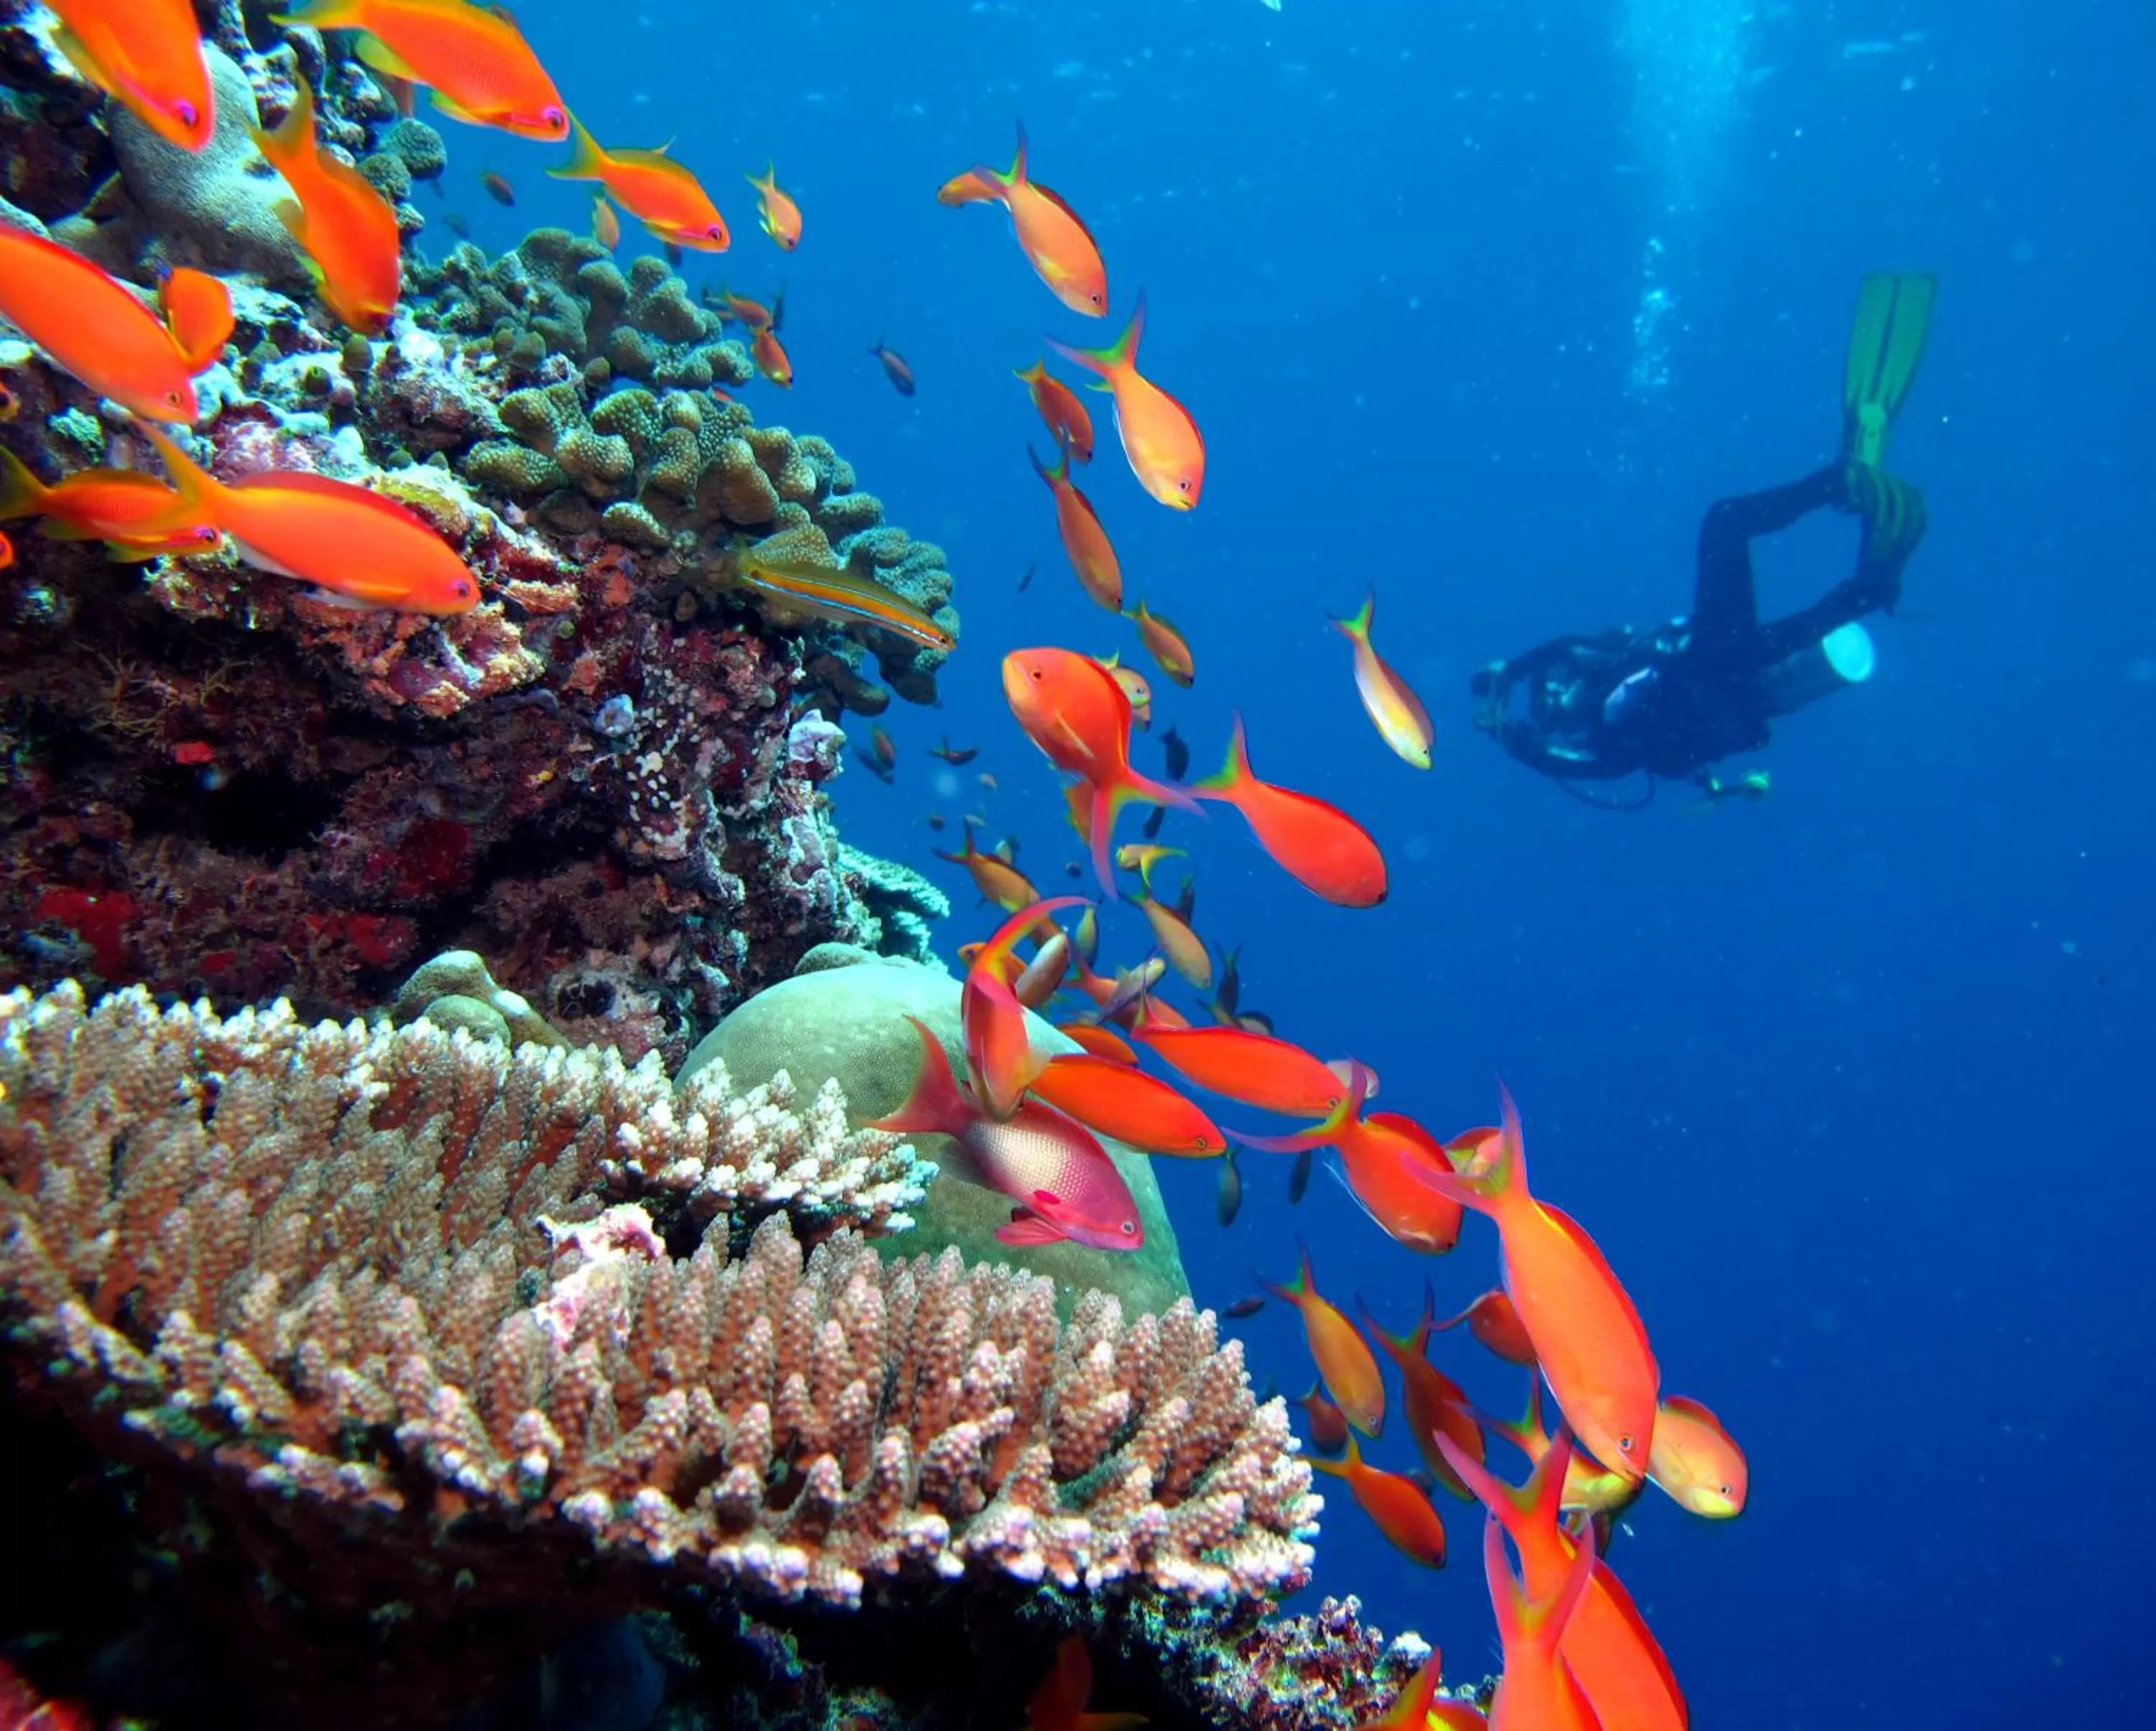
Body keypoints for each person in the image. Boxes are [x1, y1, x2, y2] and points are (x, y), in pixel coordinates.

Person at [1471, 273, 1935, 802]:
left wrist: (1511, 669)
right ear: (1560, 723)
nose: (1558, 691)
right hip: (1719, 661)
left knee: (1821, 596)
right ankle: (1840, 486)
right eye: (1551, 705)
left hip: (1727, 657)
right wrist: (1510, 738)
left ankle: (1871, 565)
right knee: (1725, 523)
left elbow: (1566, 647)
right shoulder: (1609, 745)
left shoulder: (1600, 664)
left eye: (1550, 687)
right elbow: (1566, 762)